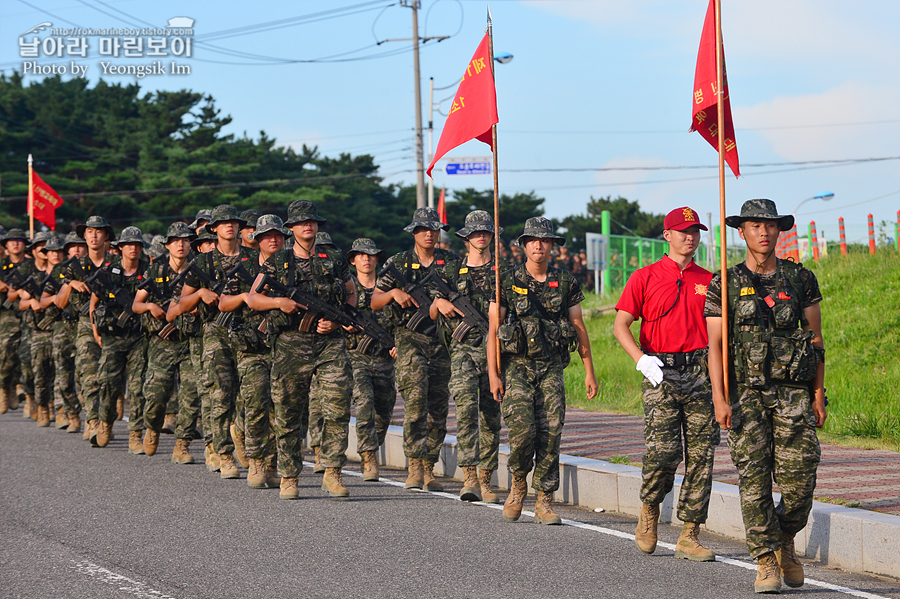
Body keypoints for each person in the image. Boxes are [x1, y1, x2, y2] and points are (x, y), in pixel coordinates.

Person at [705, 199, 826, 594]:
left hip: (793, 395)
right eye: (755, 225)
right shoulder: (723, 282)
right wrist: (720, 400)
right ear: (741, 232)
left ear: (780, 231)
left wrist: (818, 395)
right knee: (753, 482)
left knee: (800, 485)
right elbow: (716, 347)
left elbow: (816, 341)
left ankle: (784, 538)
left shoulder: (800, 278)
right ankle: (766, 561)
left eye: (770, 226)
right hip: (746, 396)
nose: (763, 232)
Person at [613, 206, 718, 561]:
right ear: (667, 235)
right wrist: (640, 360)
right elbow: (620, 326)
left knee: (702, 455)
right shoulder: (644, 277)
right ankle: (650, 509)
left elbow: (721, 334)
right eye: (683, 231)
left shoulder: (711, 279)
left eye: (696, 231)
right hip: (660, 371)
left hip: (701, 371)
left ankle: (690, 533)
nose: (691, 237)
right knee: (663, 452)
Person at [487, 217, 598, 524]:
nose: (538, 245)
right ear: (524, 245)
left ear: (552, 246)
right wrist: (494, 374)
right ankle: (518, 483)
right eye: (532, 240)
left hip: (550, 367)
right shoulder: (507, 281)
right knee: (522, 434)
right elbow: (494, 329)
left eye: (544, 240)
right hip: (516, 368)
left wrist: (590, 370)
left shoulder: (565, 282)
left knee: (551, 433)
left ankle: (545, 500)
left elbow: (578, 326)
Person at [247, 200, 354, 500]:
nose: (308, 226)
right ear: (291, 228)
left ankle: (332, 472)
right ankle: (289, 475)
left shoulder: (333, 258)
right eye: (301, 222)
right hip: (291, 345)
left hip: (329, 345)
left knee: (337, 406)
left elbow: (351, 294)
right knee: (288, 413)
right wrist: (278, 302)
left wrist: (336, 322)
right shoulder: (277, 261)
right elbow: (254, 298)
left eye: (312, 221)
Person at [371, 207, 459, 491]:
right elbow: (374, 300)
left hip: (442, 341)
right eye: (423, 229)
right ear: (414, 232)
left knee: (437, 407)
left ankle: (429, 466)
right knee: (415, 403)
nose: (429, 234)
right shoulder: (399, 262)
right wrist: (393, 293)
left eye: (434, 229)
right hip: (409, 338)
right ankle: (414, 465)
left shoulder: (451, 262)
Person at [180, 205, 257, 479]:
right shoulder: (202, 262)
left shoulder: (254, 258)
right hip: (216, 333)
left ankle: (240, 432)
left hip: (248, 331)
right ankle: (223, 453)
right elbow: (181, 304)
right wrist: (201, 292)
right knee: (221, 394)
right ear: (214, 229)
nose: (229, 226)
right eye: (223, 223)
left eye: (234, 222)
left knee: (251, 393)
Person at [431, 210, 502, 502]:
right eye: (475, 233)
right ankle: (470, 476)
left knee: (491, 416)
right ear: (466, 237)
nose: (480, 236)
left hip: (495, 352)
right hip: (462, 352)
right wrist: (440, 301)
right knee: (466, 412)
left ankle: (487, 477)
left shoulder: (503, 273)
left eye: (485, 232)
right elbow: (431, 311)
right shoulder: (449, 272)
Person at [222, 214, 285, 489]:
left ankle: (272, 464)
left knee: (280, 409)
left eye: (277, 235)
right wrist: (247, 298)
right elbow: (224, 302)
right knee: (258, 404)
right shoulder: (244, 267)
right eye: (267, 235)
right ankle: (257, 462)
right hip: (251, 348)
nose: (273, 240)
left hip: (285, 346)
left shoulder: (291, 266)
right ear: (257, 240)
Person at [134, 222, 200, 460]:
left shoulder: (197, 270)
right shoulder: (156, 271)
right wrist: (150, 305)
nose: (181, 245)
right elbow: (136, 303)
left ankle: (182, 444)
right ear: (168, 245)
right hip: (162, 343)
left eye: (185, 240)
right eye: (175, 241)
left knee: (191, 395)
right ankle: (152, 429)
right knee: (156, 394)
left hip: (189, 339)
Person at [344, 238, 397, 482]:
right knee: (364, 403)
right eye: (361, 255)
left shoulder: (387, 288)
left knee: (384, 411)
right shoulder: (347, 288)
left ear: (377, 259)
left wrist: (398, 344)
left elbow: (400, 320)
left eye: (371, 255)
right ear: (353, 260)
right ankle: (369, 457)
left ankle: (373, 445)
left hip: (384, 358)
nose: (366, 259)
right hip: (356, 356)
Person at [90, 226, 147, 447]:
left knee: (138, 386)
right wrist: (96, 332)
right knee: (109, 385)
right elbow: (93, 306)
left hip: (139, 337)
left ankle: (136, 433)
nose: (132, 248)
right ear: (120, 247)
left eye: (137, 244)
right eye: (128, 244)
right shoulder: (106, 273)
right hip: (113, 337)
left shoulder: (149, 271)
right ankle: (105, 423)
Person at [63, 216, 116, 441]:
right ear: (84, 236)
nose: (94, 235)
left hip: (114, 325)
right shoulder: (74, 267)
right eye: (90, 232)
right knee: (89, 374)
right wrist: (70, 284)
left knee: (111, 378)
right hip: (86, 323)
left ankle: (106, 420)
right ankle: (93, 421)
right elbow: (59, 303)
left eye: (98, 231)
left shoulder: (115, 264)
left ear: (106, 236)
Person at [0, 228, 28, 414]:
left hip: (30, 314)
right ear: (6, 245)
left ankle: (23, 388)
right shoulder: (1, 265)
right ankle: (5, 388)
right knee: (6, 352)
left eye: (19, 240)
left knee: (26, 354)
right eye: (11, 241)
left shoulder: (31, 265)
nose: (15, 243)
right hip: (6, 314)